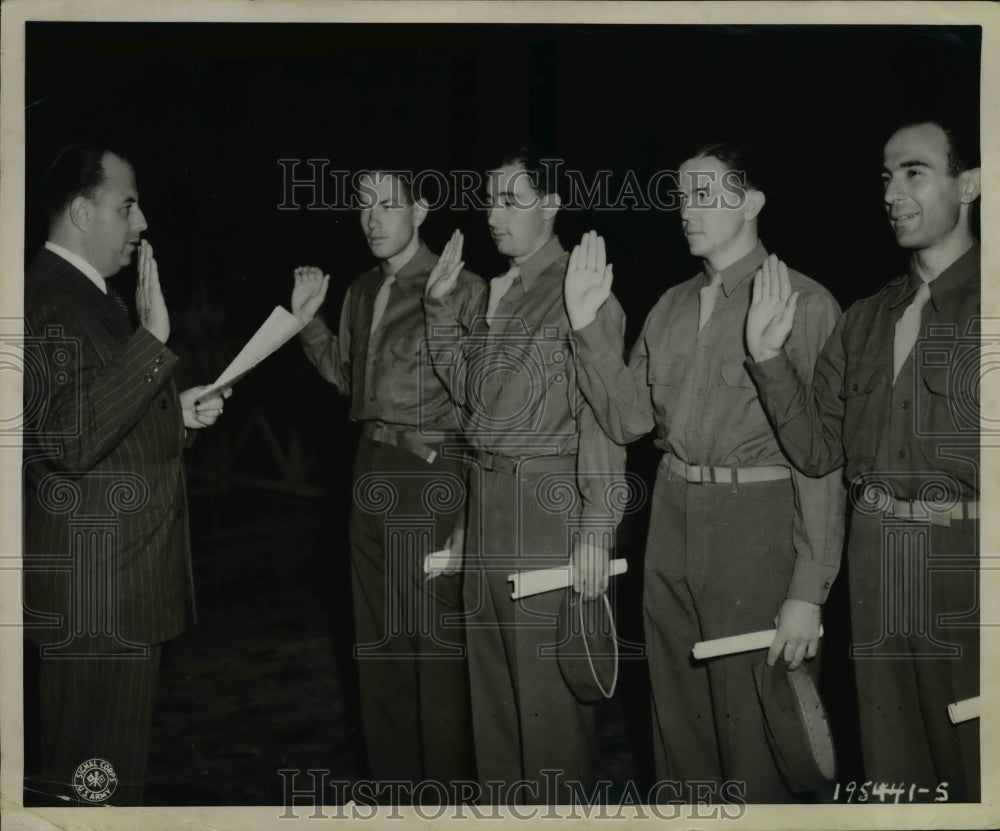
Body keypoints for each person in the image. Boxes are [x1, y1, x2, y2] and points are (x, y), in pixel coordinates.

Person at [564, 142, 845, 802]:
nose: (688, 208)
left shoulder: (803, 302)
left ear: (751, 202)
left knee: (758, 738)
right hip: (670, 518)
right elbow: (629, 420)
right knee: (678, 730)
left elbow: (821, 459)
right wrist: (587, 326)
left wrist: (808, 587)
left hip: (757, 531)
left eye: (706, 193)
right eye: (682, 195)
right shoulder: (669, 305)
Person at [745, 117, 981, 801]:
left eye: (915, 172)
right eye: (886, 176)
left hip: (966, 563)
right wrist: (769, 359)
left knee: (975, 761)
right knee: (892, 767)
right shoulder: (866, 318)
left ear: (970, 184)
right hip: (877, 560)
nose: (893, 191)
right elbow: (819, 450)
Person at [23, 144, 228, 806]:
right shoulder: (47, 300)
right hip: (97, 599)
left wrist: (178, 417)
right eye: (127, 205)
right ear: (83, 212)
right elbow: (68, 438)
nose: (140, 225)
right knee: (90, 787)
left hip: (119, 589)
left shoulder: (93, 298)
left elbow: (103, 421)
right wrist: (154, 340)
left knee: (105, 781)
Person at [423, 148, 626, 804]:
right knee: (494, 712)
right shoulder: (490, 290)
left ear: (552, 205)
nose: (494, 214)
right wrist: (437, 312)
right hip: (487, 505)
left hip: (547, 508)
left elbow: (604, 417)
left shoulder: (580, 287)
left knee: (548, 720)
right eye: (489, 199)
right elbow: (473, 406)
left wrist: (597, 526)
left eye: (512, 199)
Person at [290, 169, 483, 793]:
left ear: (420, 210)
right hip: (369, 466)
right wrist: (308, 323)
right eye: (362, 206)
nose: (373, 218)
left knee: (434, 651)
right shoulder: (361, 290)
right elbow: (349, 381)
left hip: (431, 475)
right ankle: (395, 796)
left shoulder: (461, 287)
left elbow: (483, 405)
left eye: (388, 205)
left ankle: (447, 799)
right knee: (381, 646)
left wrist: (468, 514)